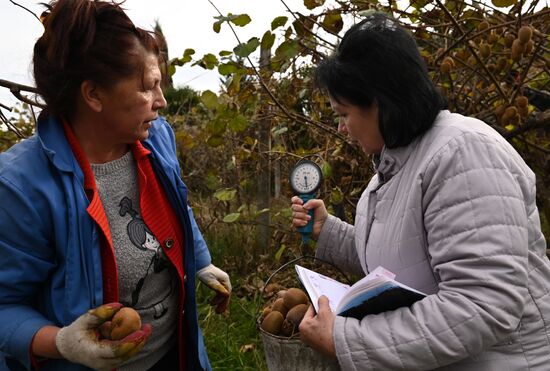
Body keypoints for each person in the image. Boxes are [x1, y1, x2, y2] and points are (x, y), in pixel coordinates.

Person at [291, 12, 550, 370]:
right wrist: (329, 232)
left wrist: (345, 339)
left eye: (344, 113)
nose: (342, 128)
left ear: (379, 102)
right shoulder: (396, 162)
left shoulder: (463, 154)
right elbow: (403, 264)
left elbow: (484, 305)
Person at [0, 0, 231, 370]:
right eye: (147, 88)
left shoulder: (156, 140)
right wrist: (60, 343)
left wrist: (200, 260)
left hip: (175, 356)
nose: (162, 102)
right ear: (93, 94)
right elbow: (4, 306)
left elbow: (178, 205)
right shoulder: (21, 187)